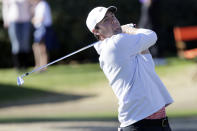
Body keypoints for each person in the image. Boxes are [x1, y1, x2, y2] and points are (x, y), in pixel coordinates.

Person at [86, 6, 173, 131]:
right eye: (106, 20)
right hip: (140, 124)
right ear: (96, 31)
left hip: (158, 123)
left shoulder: (123, 46)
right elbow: (151, 35)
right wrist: (130, 30)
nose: (113, 21)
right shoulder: (115, 44)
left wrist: (128, 32)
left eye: (113, 16)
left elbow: (147, 61)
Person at [2, 0, 32, 70]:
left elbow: (31, 6)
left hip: (25, 21)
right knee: (16, 44)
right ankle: (17, 66)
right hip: (13, 21)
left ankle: (25, 66)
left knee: (25, 43)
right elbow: (5, 8)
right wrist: (5, 20)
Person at [31, 0, 53, 70]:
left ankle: (43, 66)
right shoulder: (39, 5)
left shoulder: (43, 4)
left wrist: (33, 20)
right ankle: (38, 66)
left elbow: (41, 18)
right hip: (40, 28)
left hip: (43, 28)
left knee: (42, 48)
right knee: (36, 47)